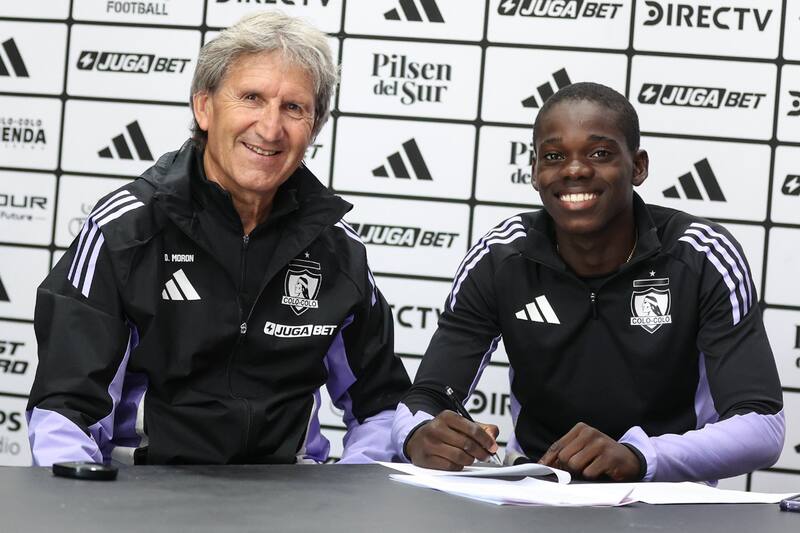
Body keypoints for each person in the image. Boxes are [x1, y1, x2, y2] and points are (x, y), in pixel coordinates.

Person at [27, 12, 410, 466]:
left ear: (315, 126)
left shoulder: (336, 247)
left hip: (291, 499)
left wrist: (345, 495)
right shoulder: (124, 230)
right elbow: (65, 408)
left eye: (294, 107)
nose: (270, 129)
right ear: (204, 107)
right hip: (150, 496)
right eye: (251, 98)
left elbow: (381, 406)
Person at [391, 82, 785, 482]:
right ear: (535, 172)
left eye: (600, 153)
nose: (575, 169)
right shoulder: (501, 256)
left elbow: (762, 426)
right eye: (554, 156)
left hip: (667, 500)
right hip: (538, 495)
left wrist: (639, 456)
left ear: (639, 166)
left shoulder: (700, 254)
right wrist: (419, 435)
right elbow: (426, 398)